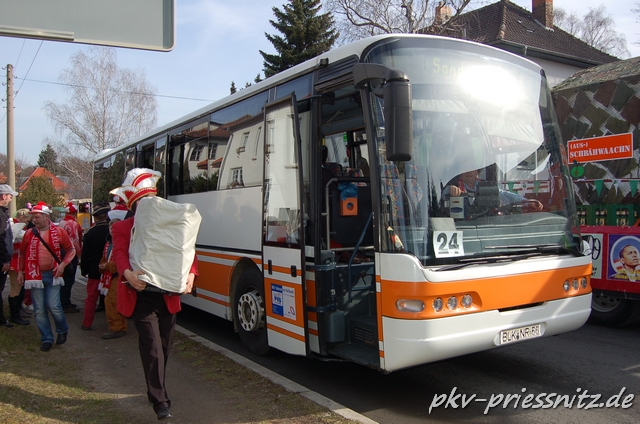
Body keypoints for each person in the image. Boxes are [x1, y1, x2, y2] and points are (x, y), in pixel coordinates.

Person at [111, 168, 198, 421]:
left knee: (164, 347)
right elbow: (119, 254)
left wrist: (192, 274)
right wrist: (127, 273)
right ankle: (160, 401)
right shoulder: (123, 227)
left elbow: (187, 249)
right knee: (152, 347)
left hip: (167, 295)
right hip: (140, 295)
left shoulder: (170, 223)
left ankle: (155, 387)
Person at [17, 202, 76, 352]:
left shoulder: (59, 232)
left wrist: (62, 265)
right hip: (35, 275)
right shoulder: (29, 233)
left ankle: (62, 329)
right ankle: (47, 338)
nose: (34, 220)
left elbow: (71, 250)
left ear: (46, 217)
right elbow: (22, 253)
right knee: (39, 310)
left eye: (37, 217)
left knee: (53, 305)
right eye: (33, 217)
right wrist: (20, 272)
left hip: (54, 274)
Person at [443, 166, 543, 218]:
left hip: (486, 224)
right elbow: (443, 196)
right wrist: (452, 190)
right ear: (460, 172)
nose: (469, 172)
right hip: (463, 226)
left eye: (472, 168)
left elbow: (503, 194)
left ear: (477, 171)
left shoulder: (485, 185)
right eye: (465, 169)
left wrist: (526, 202)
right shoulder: (453, 185)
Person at [79, 203, 111, 330]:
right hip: (110, 269)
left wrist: (84, 269)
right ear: (106, 216)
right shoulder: (111, 231)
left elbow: (85, 254)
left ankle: (87, 323)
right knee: (112, 297)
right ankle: (116, 325)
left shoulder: (90, 233)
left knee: (91, 298)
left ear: (95, 218)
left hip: (94, 269)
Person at [99, 217, 128, 339]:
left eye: (114, 228)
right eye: (110, 228)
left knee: (112, 302)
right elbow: (104, 257)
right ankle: (119, 326)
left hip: (118, 276)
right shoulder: (109, 243)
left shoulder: (122, 242)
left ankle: (117, 327)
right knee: (112, 302)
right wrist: (101, 265)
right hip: (109, 277)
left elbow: (120, 262)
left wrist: (107, 266)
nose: (112, 230)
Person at [7, 208, 32, 325]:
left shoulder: (18, 227)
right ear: (22, 217)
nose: (27, 222)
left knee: (19, 287)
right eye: (27, 220)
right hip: (15, 261)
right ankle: (14, 315)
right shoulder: (14, 228)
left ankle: (17, 311)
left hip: (18, 260)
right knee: (16, 288)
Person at [59, 201, 83, 313]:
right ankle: (65, 303)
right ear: (75, 213)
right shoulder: (73, 224)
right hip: (70, 253)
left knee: (63, 278)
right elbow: (75, 240)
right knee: (69, 279)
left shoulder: (61, 222)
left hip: (61, 252)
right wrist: (79, 255)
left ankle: (62, 301)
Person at [0, 184, 18, 328]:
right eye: (10, 196)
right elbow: (1, 238)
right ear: (3, 196)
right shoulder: (1, 214)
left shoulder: (3, 213)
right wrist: (5, 259)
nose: (11, 199)